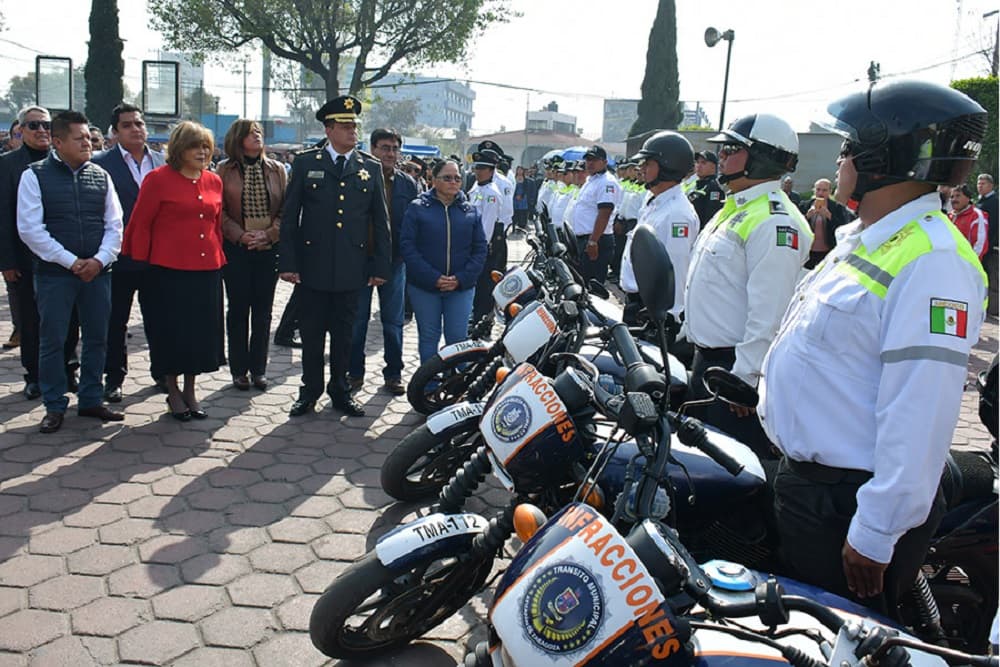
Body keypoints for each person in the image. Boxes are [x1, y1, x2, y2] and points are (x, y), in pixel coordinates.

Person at [760, 79, 988, 614]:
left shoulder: (934, 260)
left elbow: (921, 408)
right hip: (812, 488)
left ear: (884, 156)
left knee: (840, 637)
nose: (839, 161)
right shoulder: (872, 237)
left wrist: (876, 529)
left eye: (846, 148)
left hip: (847, 506)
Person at [684, 113, 811, 458]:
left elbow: (769, 311)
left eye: (731, 149)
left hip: (733, 372)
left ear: (762, 156)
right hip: (707, 362)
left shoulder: (775, 220)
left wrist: (744, 379)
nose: (721, 156)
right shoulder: (737, 207)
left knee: (730, 472)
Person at [279, 95, 391, 418]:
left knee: (345, 336)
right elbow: (290, 217)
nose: (352, 131)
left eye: (355, 125)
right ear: (328, 130)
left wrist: (380, 265)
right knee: (312, 335)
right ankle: (309, 390)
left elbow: (380, 223)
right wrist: (288, 262)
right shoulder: (305, 163)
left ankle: (340, 391)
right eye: (345, 125)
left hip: (351, 270)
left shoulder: (368, 167)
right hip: (312, 268)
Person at [16, 110, 124, 433]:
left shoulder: (101, 176)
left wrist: (99, 260)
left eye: (89, 138)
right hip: (55, 275)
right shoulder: (34, 176)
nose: (87, 143)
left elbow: (115, 226)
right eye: (79, 139)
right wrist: (71, 262)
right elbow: (30, 229)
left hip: (97, 273)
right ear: (58, 142)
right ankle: (54, 404)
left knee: (96, 338)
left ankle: (90, 398)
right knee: (53, 340)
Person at [122, 121, 226, 421]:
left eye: (207, 145)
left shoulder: (213, 181)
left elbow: (215, 224)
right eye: (196, 146)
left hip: (206, 268)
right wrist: (141, 263)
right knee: (172, 333)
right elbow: (140, 223)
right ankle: (172, 389)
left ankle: (191, 390)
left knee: (201, 334)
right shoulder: (157, 179)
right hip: (167, 271)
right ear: (180, 149)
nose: (203, 151)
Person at [0, 106, 82, 400]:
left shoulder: (64, 160)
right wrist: (6, 261)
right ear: (20, 130)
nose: (41, 130)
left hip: (64, 256)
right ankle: (34, 375)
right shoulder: (7, 165)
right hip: (24, 259)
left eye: (46, 125)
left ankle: (68, 369)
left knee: (70, 316)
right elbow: (3, 216)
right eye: (33, 125)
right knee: (31, 319)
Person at [92, 103, 166, 402]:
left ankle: (163, 371)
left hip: (157, 257)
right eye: (127, 125)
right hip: (119, 257)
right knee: (115, 319)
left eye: (139, 123)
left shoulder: (162, 162)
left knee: (159, 318)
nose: (136, 129)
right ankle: (114, 377)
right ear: (114, 132)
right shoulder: (101, 164)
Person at [217, 119, 287, 392]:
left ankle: (259, 369)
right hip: (236, 248)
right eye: (250, 134)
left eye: (258, 133)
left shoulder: (277, 169)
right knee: (237, 309)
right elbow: (218, 211)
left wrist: (270, 234)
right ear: (237, 139)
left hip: (268, 248)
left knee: (263, 311)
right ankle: (238, 369)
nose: (256, 137)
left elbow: (287, 209)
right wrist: (239, 234)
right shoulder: (224, 170)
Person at [347, 127, 417, 397]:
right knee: (358, 322)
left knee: (393, 322)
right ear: (372, 148)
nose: (390, 153)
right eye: (384, 147)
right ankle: (354, 373)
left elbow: (411, 227)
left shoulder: (407, 184)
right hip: (360, 262)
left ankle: (393, 374)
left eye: (394, 149)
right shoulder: (358, 178)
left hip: (394, 262)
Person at [400, 159, 487, 364]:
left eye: (457, 178)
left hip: (460, 288)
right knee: (429, 338)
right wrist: (433, 277)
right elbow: (407, 247)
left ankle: (455, 386)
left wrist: (461, 278)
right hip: (425, 287)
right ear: (434, 179)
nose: (453, 182)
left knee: (457, 339)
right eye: (447, 178)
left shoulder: (470, 211)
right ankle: (429, 387)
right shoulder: (418, 208)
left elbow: (480, 250)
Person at [620, 131, 700, 331]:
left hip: (652, 311)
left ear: (667, 166)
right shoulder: (654, 201)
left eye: (648, 164)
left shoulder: (677, 214)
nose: (641, 169)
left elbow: (677, 267)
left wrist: (668, 318)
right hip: (637, 304)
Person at [571, 146, 622, 285]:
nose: (590, 163)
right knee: (583, 281)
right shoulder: (591, 180)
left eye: (594, 160)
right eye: (588, 160)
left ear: (605, 162)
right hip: (585, 239)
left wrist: (593, 241)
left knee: (593, 284)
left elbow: (604, 214)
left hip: (597, 239)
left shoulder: (607, 182)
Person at [467, 149, 505, 326]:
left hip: (482, 246)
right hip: (472, 244)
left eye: (482, 168)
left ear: (491, 171)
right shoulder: (477, 187)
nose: (478, 171)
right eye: (477, 167)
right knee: (476, 285)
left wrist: (478, 248)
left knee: (484, 286)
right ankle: (475, 317)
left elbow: (487, 225)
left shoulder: (491, 193)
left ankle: (482, 322)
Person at [799, 178, 852, 269]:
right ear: (814, 190)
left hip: (828, 250)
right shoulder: (804, 205)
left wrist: (829, 216)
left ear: (830, 192)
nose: (820, 193)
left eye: (824, 190)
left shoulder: (836, 207)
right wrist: (807, 216)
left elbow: (843, 228)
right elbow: (797, 226)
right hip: (808, 250)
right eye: (818, 189)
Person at [948, 184, 989, 260]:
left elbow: (979, 246)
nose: (954, 199)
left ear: (968, 198)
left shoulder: (977, 216)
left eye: (958, 196)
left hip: (967, 265)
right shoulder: (949, 216)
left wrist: (970, 265)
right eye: (952, 197)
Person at [687, 150, 726, 226]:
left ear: (713, 167)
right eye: (697, 162)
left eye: (703, 163)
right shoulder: (695, 184)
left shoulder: (714, 189)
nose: (699, 165)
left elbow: (710, 219)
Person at [977, 173, 998, 316]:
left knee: (991, 278)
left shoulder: (995, 202)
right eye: (978, 183)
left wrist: (989, 245)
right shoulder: (980, 201)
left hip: (990, 247)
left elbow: (994, 226)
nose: (979, 186)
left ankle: (993, 309)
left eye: (983, 183)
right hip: (980, 245)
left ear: (991, 185)